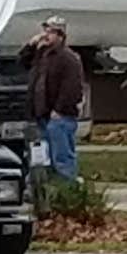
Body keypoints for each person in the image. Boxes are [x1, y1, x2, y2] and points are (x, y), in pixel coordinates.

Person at [21, 15, 88, 180]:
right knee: (45, 157)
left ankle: (66, 189)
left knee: (62, 156)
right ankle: (50, 189)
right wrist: (31, 45)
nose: (46, 35)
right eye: (46, 31)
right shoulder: (42, 55)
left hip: (59, 116)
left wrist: (59, 110)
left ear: (60, 36)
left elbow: (72, 87)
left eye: (51, 32)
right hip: (42, 114)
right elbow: (22, 62)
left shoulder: (69, 58)